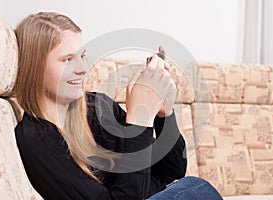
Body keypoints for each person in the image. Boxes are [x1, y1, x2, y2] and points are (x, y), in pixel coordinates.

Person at [14, 12, 223, 200]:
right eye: (68, 59)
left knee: (193, 187)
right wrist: (138, 121)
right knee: (195, 189)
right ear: (36, 68)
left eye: (82, 56)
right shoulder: (35, 139)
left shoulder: (97, 106)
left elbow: (169, 175)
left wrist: (164, 114)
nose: (82, 69)